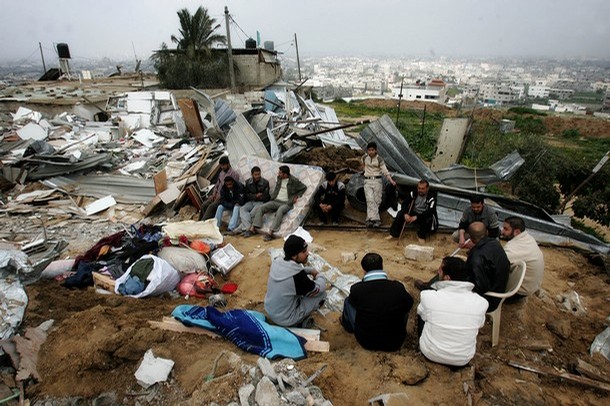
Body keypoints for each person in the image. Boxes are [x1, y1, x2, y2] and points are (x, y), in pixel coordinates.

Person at [417, 256, 489, 367]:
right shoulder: (480, 303)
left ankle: (421, 344)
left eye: (440, 270)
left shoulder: (429, 296)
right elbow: (480, 324)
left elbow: (421, 314)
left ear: (447, 278)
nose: (437, 272)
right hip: (463, 359)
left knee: (424, 313)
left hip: (431, 354)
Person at [341, 253, 413, 351]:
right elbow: (409, 304)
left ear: (364, 270)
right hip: (395, 342)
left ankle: (348, 326)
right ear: (382, 266)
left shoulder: (357, 289)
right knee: (403, 302)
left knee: (348, 301)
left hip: (366, 341)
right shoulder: (397, 287)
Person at [264, 235, 327, 327]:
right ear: (294, 255)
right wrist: (319, 275)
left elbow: (294, 271)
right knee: (322, 295)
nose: (307, 254)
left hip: (270, 310)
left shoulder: (277, 262)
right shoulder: (297, 277)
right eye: (303, 251)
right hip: (285, 319)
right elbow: (319, 289)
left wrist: (309, 270)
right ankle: (298, 322)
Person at [248, 165, 307, 241]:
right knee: (262, 207)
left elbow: (304, 187)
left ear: (285, 174)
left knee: (280, 210)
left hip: (286, 203)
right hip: (276, 200)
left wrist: (296, 196)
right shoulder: (279, 178)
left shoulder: (294, 181)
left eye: (280, 173)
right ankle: (253, 228)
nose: (278, 174)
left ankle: (270, 233)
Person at [466, 222, 510, 312]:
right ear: (487, 232)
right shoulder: (495, 243)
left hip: (489, 300)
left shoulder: (476, 258)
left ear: (470, 238)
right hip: (499, 287)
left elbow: (480, 288)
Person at [501, 216, 545, 298]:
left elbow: (496, 262)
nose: (502, 231)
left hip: (518, 292)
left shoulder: (516, 247)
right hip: (530, 287)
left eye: (506, 229)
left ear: (517, 232)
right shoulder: (527, 238)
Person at [361, 142, 396, 228]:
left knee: (377, 200)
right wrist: (365, 171)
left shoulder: (379, 159)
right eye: (369, 150)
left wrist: (391, 181)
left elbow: (385, 171)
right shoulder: (364, 157)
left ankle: (369, 219)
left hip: (377, 181)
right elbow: (363, 165)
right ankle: (376, 220)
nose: (371, 152)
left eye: (372, 150)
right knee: (369, 199)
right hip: (368, 181)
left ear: (376, 150)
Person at [200, 156, 240, 221]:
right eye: (221, 165)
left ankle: (203, 223)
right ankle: (199, 222)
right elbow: (217, 185)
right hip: (216, 196)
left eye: (223, 165)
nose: (222, 167)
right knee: (204, 205)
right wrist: (214, 194)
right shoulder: (221, 173)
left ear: (228, 164)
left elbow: (233, 189)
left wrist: (220, 196)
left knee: (211, 207)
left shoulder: (234, 174)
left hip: (224, 197)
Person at [237, 166, 270, 236]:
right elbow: (246, 195)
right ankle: (248, 228)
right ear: (252, 175)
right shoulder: (248, 182)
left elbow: (266, 197)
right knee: (242, 209)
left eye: (259, 174)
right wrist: (255, 196)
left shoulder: (265, 182)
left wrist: (259, 196)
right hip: (251, 201)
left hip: (260, 202)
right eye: (256, 174)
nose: (257, 176)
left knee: (252, 214)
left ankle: (242, 229)